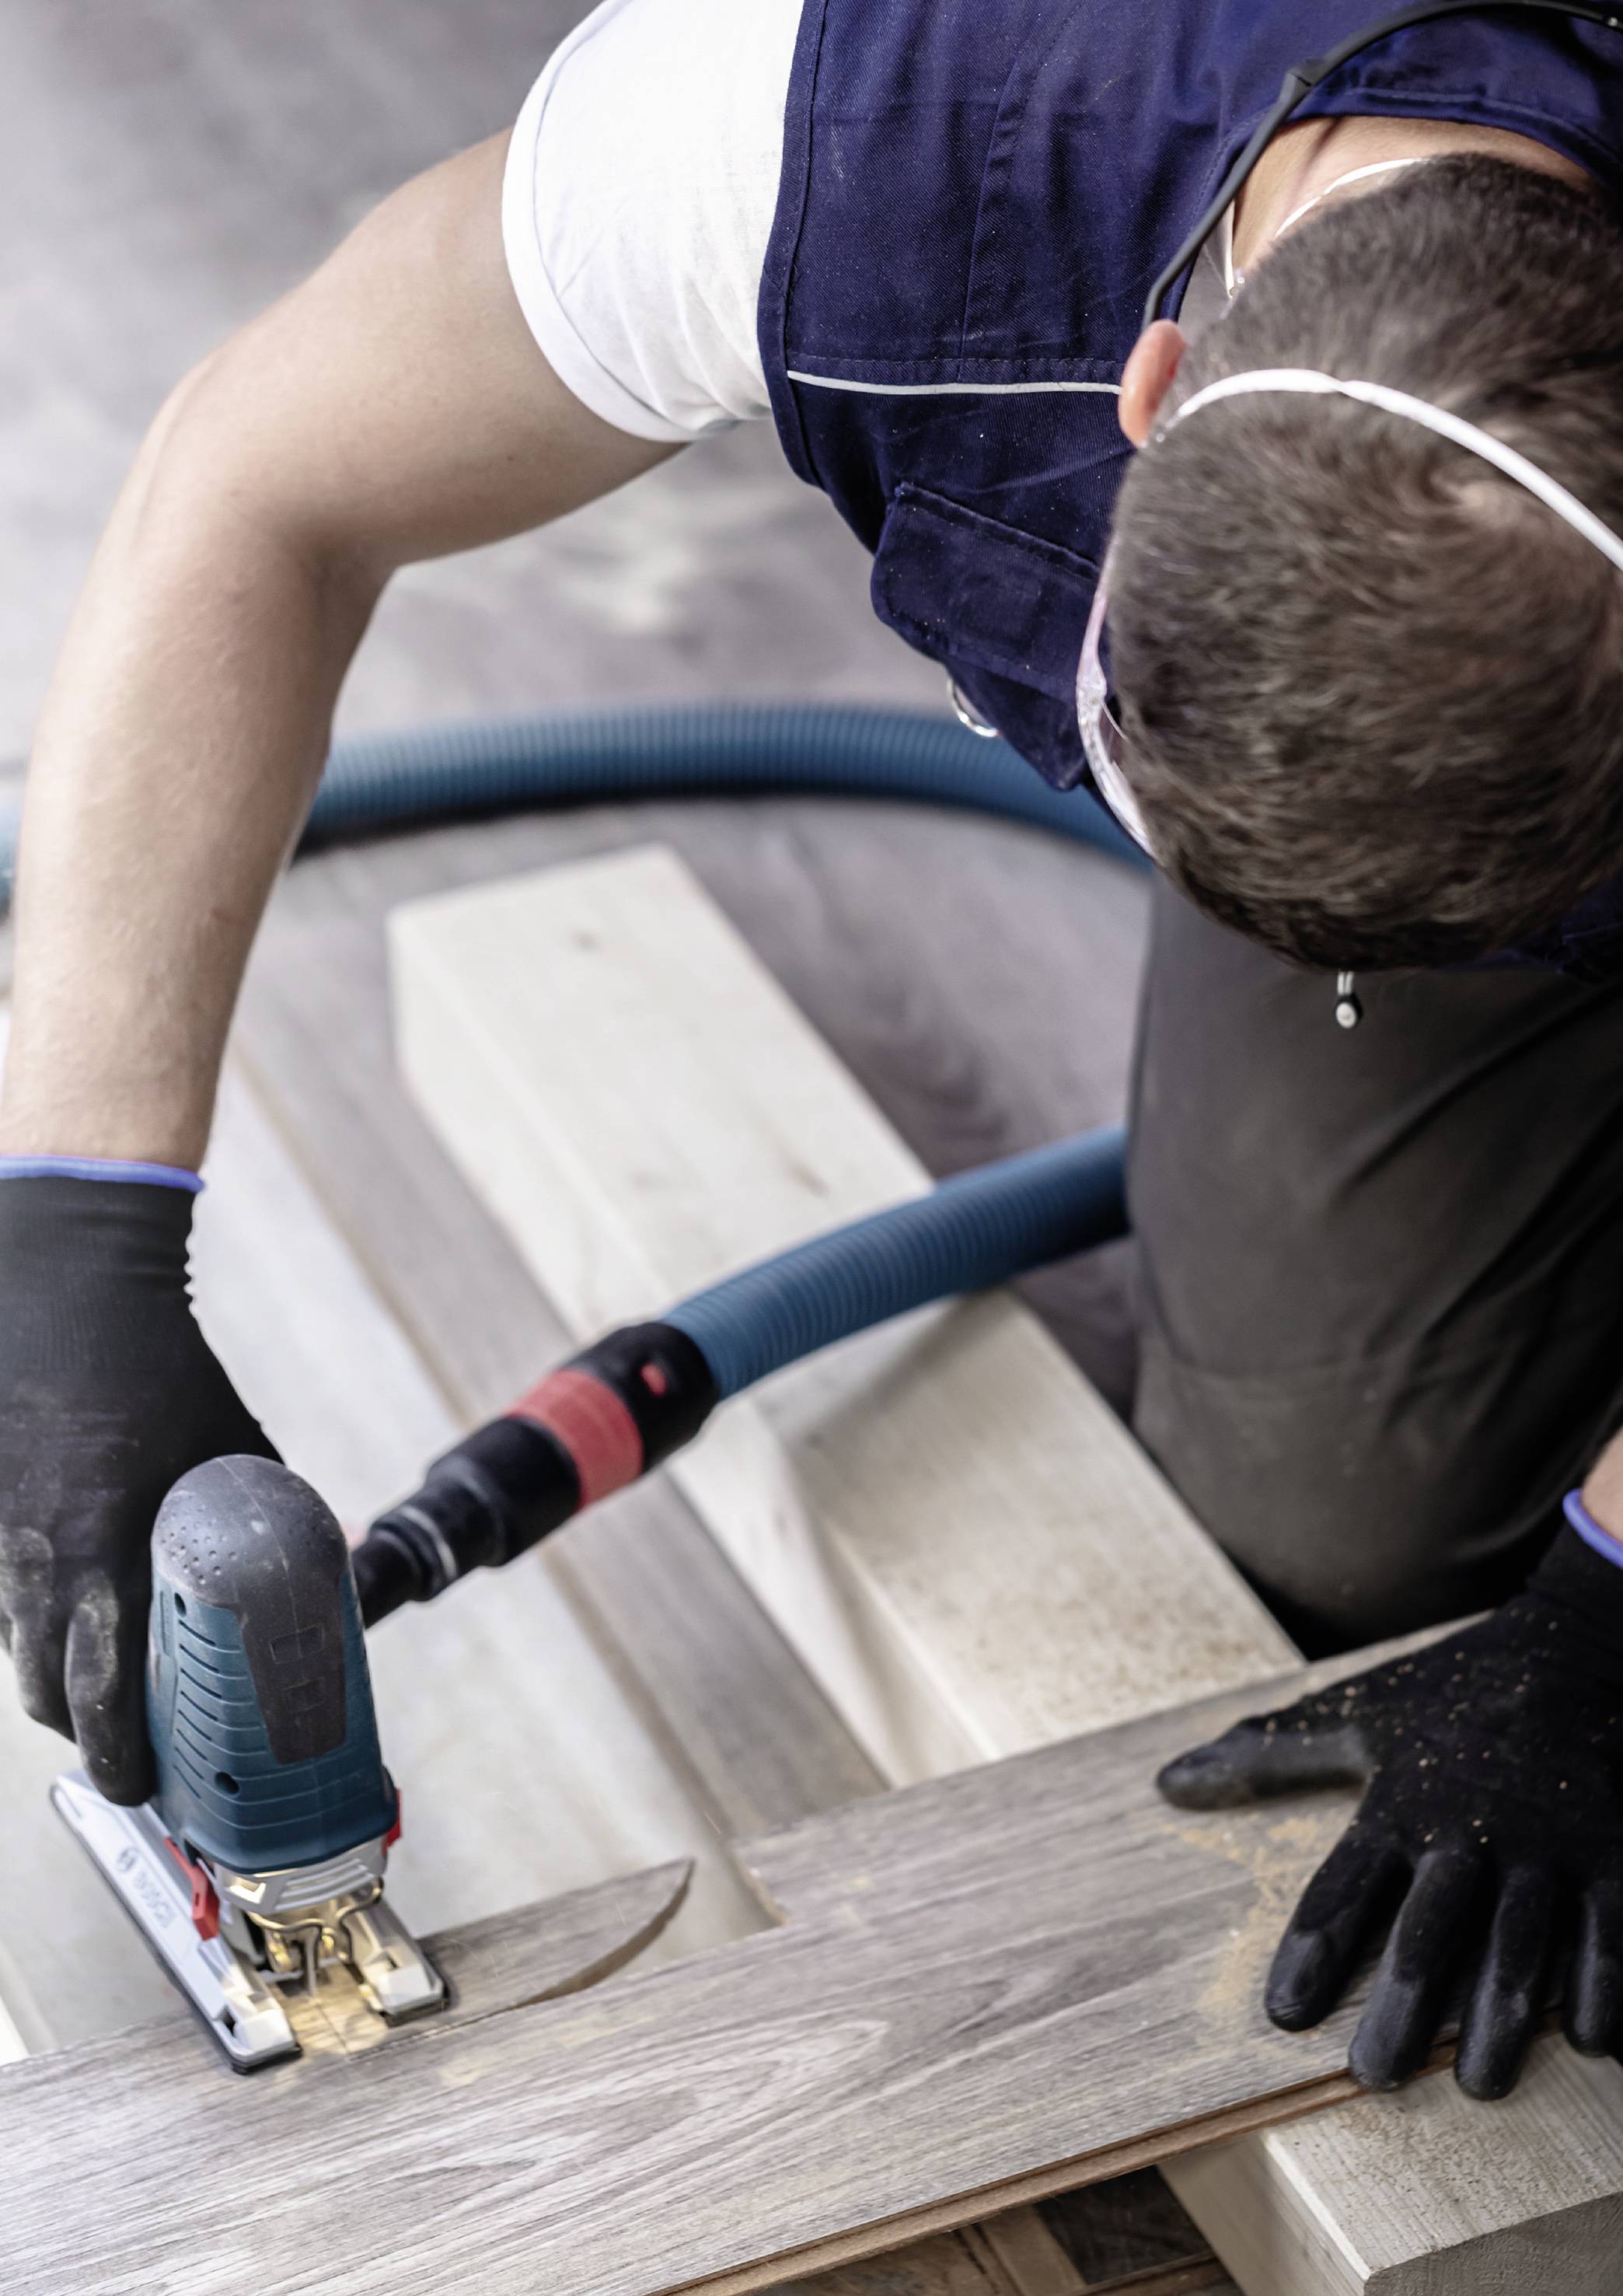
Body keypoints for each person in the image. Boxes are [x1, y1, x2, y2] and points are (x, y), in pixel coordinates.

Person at [3, 0, 1621, 2102]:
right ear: (1148, 390)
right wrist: (77, 1231)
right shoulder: (858, 135)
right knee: (1344, 1515)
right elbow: (256, 475)